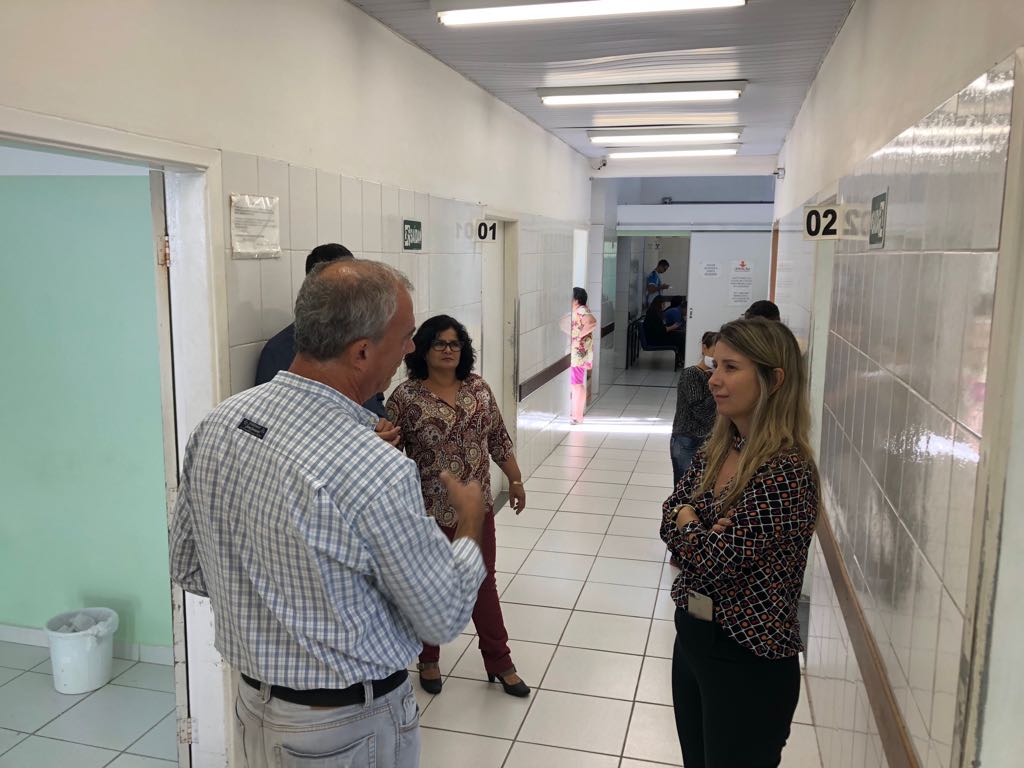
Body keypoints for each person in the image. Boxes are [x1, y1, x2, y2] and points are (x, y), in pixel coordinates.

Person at [170, 261, 487, 768]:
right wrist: (468, 524)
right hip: (346, 729)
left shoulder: (218, 425)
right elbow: (443, 615)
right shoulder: (372, 467)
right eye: (405, 337)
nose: (411, 349)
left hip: (254, 709)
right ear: (361, 351)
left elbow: (189, 568)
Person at [659, 317, 820, 768]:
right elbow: (669, 513)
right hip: (694, 636)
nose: (714, 380)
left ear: (774, 379)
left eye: (731, 368)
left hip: (748, 655)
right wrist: (694, 526)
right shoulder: (720, 447)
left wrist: (688, 521)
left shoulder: (786, 471)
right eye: (715, 366)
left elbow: (717, 560)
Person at [386, 315, 530, 698]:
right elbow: (388, 453)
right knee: (429, 585)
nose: (449, 350)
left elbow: (498, 439)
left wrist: (515, 480)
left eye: (455, 344)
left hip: (477, 511)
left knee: (483, 583)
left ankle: (499, 661)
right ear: (422, 349)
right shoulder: (405, 398)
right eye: (440, 343)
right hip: (427, 513)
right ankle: (428, 658)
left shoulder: (478, 389)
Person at [255, 243, 388, 421]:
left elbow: (375, 401)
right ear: (313, 288)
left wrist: (380, 423)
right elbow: (270, 417)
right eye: (341, 288)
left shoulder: (364, 342)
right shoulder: (279, 351)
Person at [670, 331, 718, 486]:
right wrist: (716, 386)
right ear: (704, 348)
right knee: (684, 486)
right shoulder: (691, 374)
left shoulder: (715, 376)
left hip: (710, 439)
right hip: (687, 439)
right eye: (715, 350)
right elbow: (702, 411)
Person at [569, 287, 598, 425]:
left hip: (578, 354)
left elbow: (592, 322)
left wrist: (578, 337)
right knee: (576, 384)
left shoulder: (581, 310)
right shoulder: (581, 310)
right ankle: (576, 414)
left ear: (576, 300)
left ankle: (577, 416)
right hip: (579, 353)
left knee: (577, 385)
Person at [643, 297, 686, 362]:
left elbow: (659, 328)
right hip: (654, 340)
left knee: (680, 334)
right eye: (663, 304)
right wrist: (672, 327)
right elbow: (660, 331)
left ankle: (681, 358)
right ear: (659, 304)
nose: (664, 306)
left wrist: (671, 327)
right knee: (681, 337)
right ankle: (683, 358)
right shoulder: (653, 314)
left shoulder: (653, 312)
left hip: (655, 337)